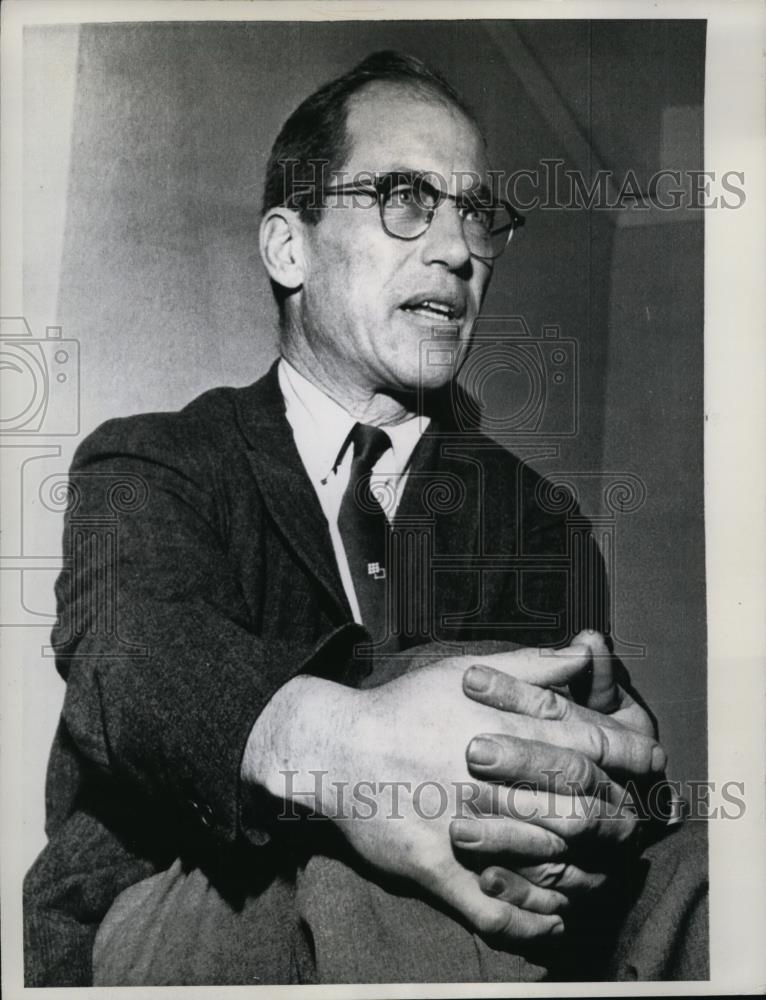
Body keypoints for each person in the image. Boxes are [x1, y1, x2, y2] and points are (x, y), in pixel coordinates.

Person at [24, 51, 707, 986]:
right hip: (189, 898)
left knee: (711, 878)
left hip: (492, 906)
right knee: (389, 844)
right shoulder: (151, 461)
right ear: (288, 247)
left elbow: (595, 770)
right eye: (404, 198)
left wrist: (616, 773)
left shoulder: (537, 519)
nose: (457, 249)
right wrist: (355, 754)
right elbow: (133, 661)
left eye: (476, 213)